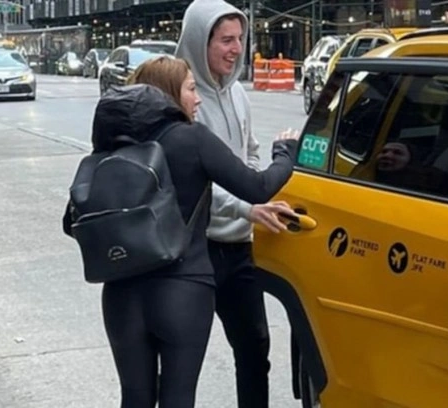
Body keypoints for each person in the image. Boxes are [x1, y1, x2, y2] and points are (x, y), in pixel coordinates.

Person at [66, 58, 299, 408]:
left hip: (121, 295)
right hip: (183, 288)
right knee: (178, 397)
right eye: (191, 89)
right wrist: (285, 154)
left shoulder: (112, 144)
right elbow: (257, 187)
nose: (198, 98)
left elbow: (73, 221)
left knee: (134, 398)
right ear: (169, 93)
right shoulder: (191, 139)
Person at [176, 1, 295, 406]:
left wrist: (250, 193)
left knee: (254, 349)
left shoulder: (238, 93)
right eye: (226, 40)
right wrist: (247, 206)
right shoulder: (185, 102)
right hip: (197, 250)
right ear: (200, 41)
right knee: (183, 359)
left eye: (240, 39)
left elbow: (251, 153)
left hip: (240, 248)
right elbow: (193, 182)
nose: (237, 49)